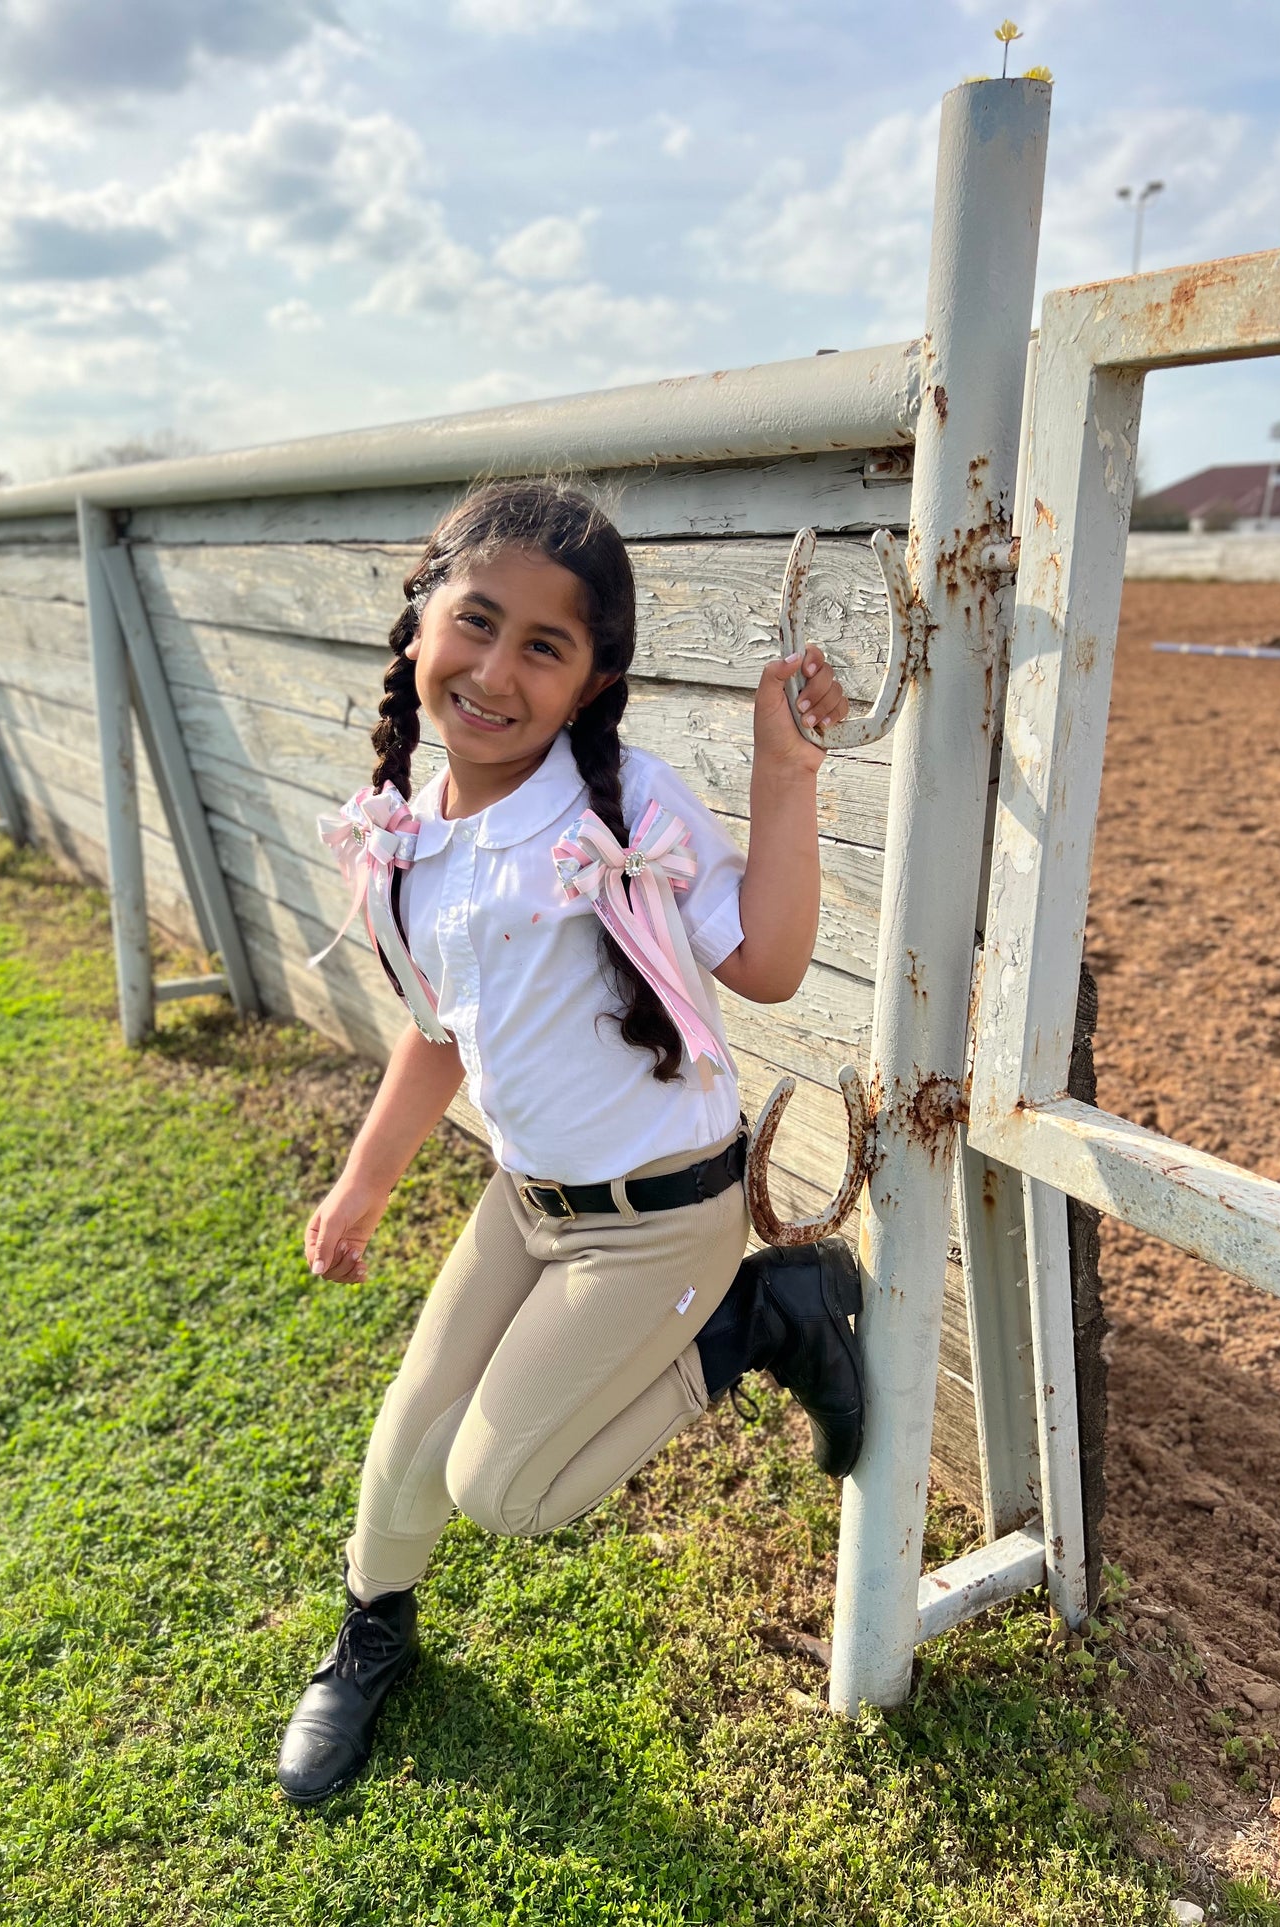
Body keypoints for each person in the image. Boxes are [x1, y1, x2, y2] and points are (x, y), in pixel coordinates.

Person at [276, 479, 864, 1806]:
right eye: (474, 622)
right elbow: (438, 1034)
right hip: (526, 1201)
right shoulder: (409, 834)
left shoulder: (621, 808)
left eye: (545, 646)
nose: (494, 671)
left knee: (507, 1491)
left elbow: (764, 962)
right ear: (420, 619)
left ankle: (764, 1321)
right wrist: (363, 1186)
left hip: (660, 1218)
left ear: (594, 681)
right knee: (409, 1430)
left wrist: (784, 770)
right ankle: (372, 1633)